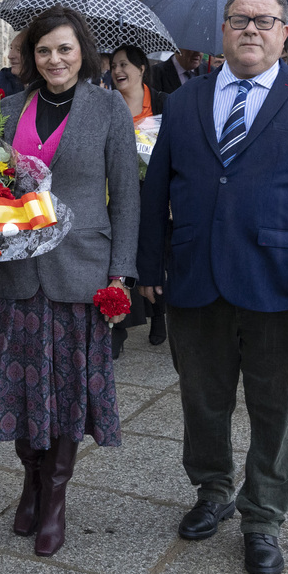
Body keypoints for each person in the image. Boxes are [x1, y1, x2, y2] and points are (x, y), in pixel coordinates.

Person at [138, 0, 288, 574]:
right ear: (224, 31)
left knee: (275, 409)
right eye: (240, 20)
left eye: (264, 22)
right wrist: (150, 264)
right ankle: (212, 490)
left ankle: (263, 517)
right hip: (195, 279)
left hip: (284, 285)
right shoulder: (185, 102)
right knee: (203, 401)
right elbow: (158, 187)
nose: (251, 31)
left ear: (285, 33)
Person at [0, 5, 139, 557]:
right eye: (44, 50)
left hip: (81, 273)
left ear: (82, 52)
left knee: (69, 391)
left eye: (65, 49)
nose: (54, 59)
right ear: (31, 55)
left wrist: (121, 274)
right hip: (19, 272)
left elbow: (128, 197)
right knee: (22, 387)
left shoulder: (108, 110)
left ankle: (55, 498)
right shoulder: (7, 111)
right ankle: (30, 479)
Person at [107, 43, 169, 354]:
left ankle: (159, 314)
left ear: (142, 68)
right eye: (114, 66)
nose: (117, 71)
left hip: (154, 194)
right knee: (118, 258)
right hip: (116, 193)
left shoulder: (162, 103)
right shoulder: (107, 105)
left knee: (154, 255)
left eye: (124, 65)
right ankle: (116, 327)